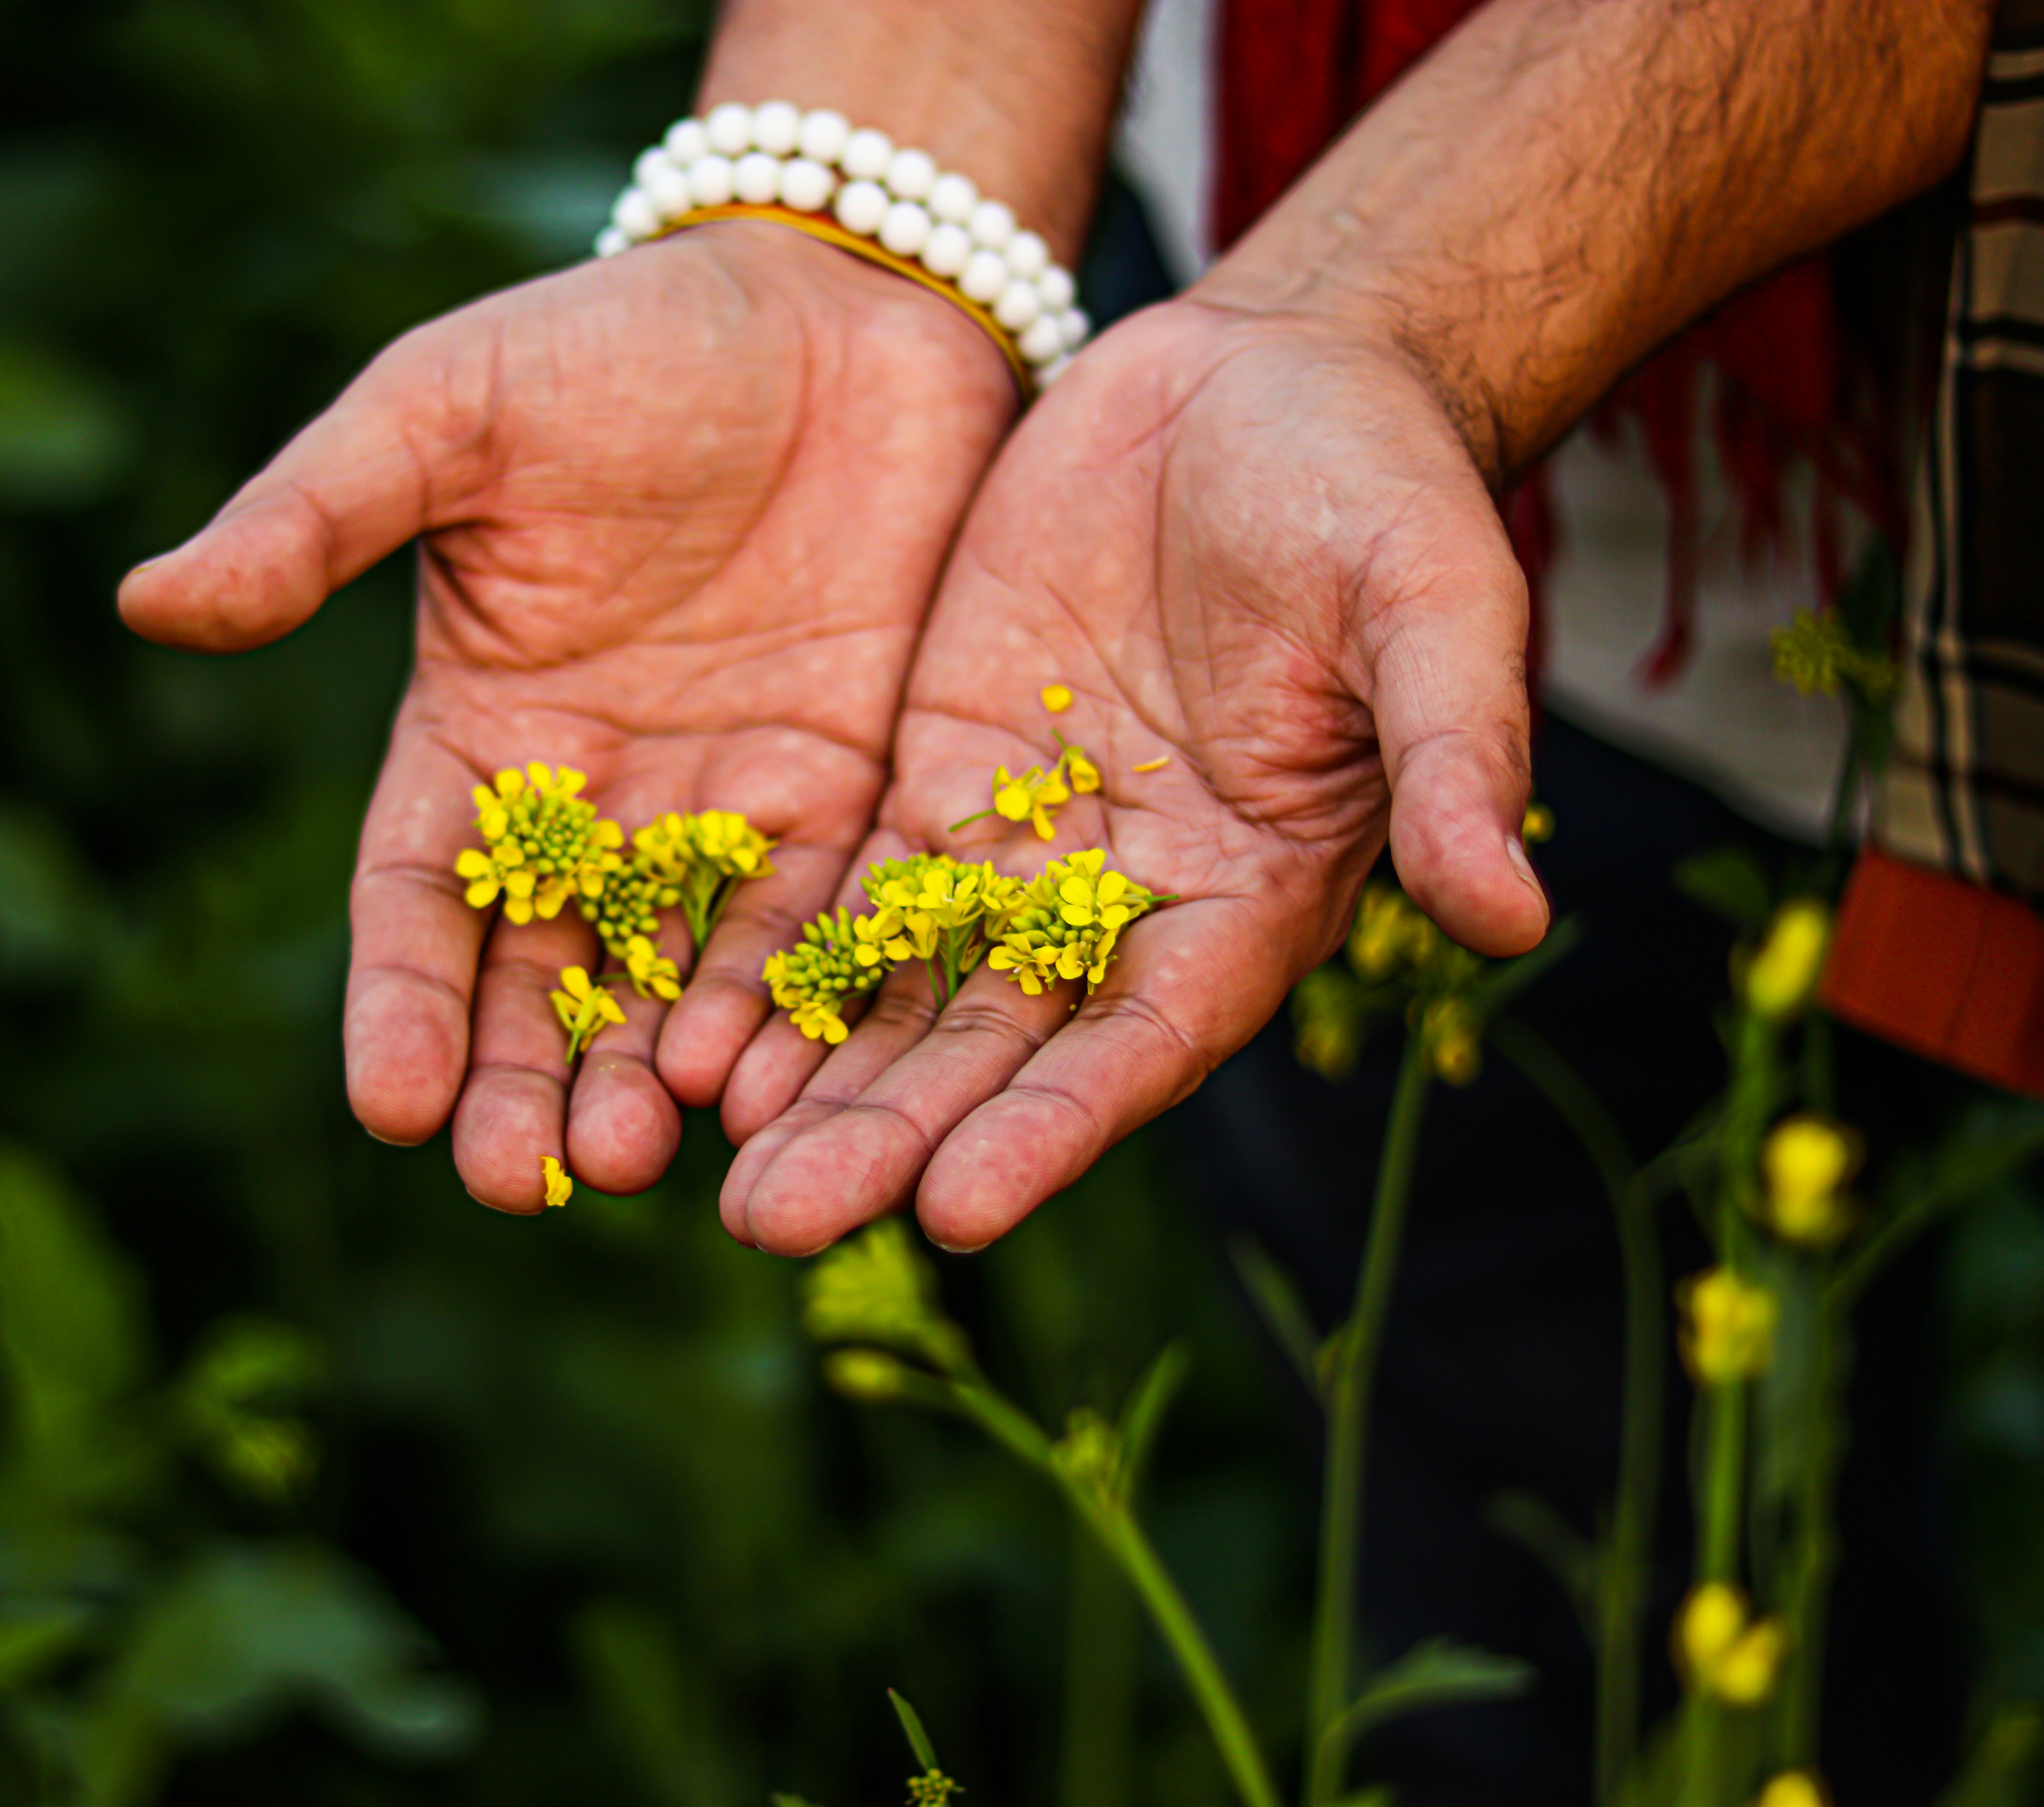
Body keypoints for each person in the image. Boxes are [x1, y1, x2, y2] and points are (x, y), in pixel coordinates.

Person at [122, 0, 2032, 1795]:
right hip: (1261, 484)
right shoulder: (1191, 506)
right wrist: (842, 211)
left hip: (1809, 449)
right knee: (1557, 1607)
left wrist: (1383, 302)